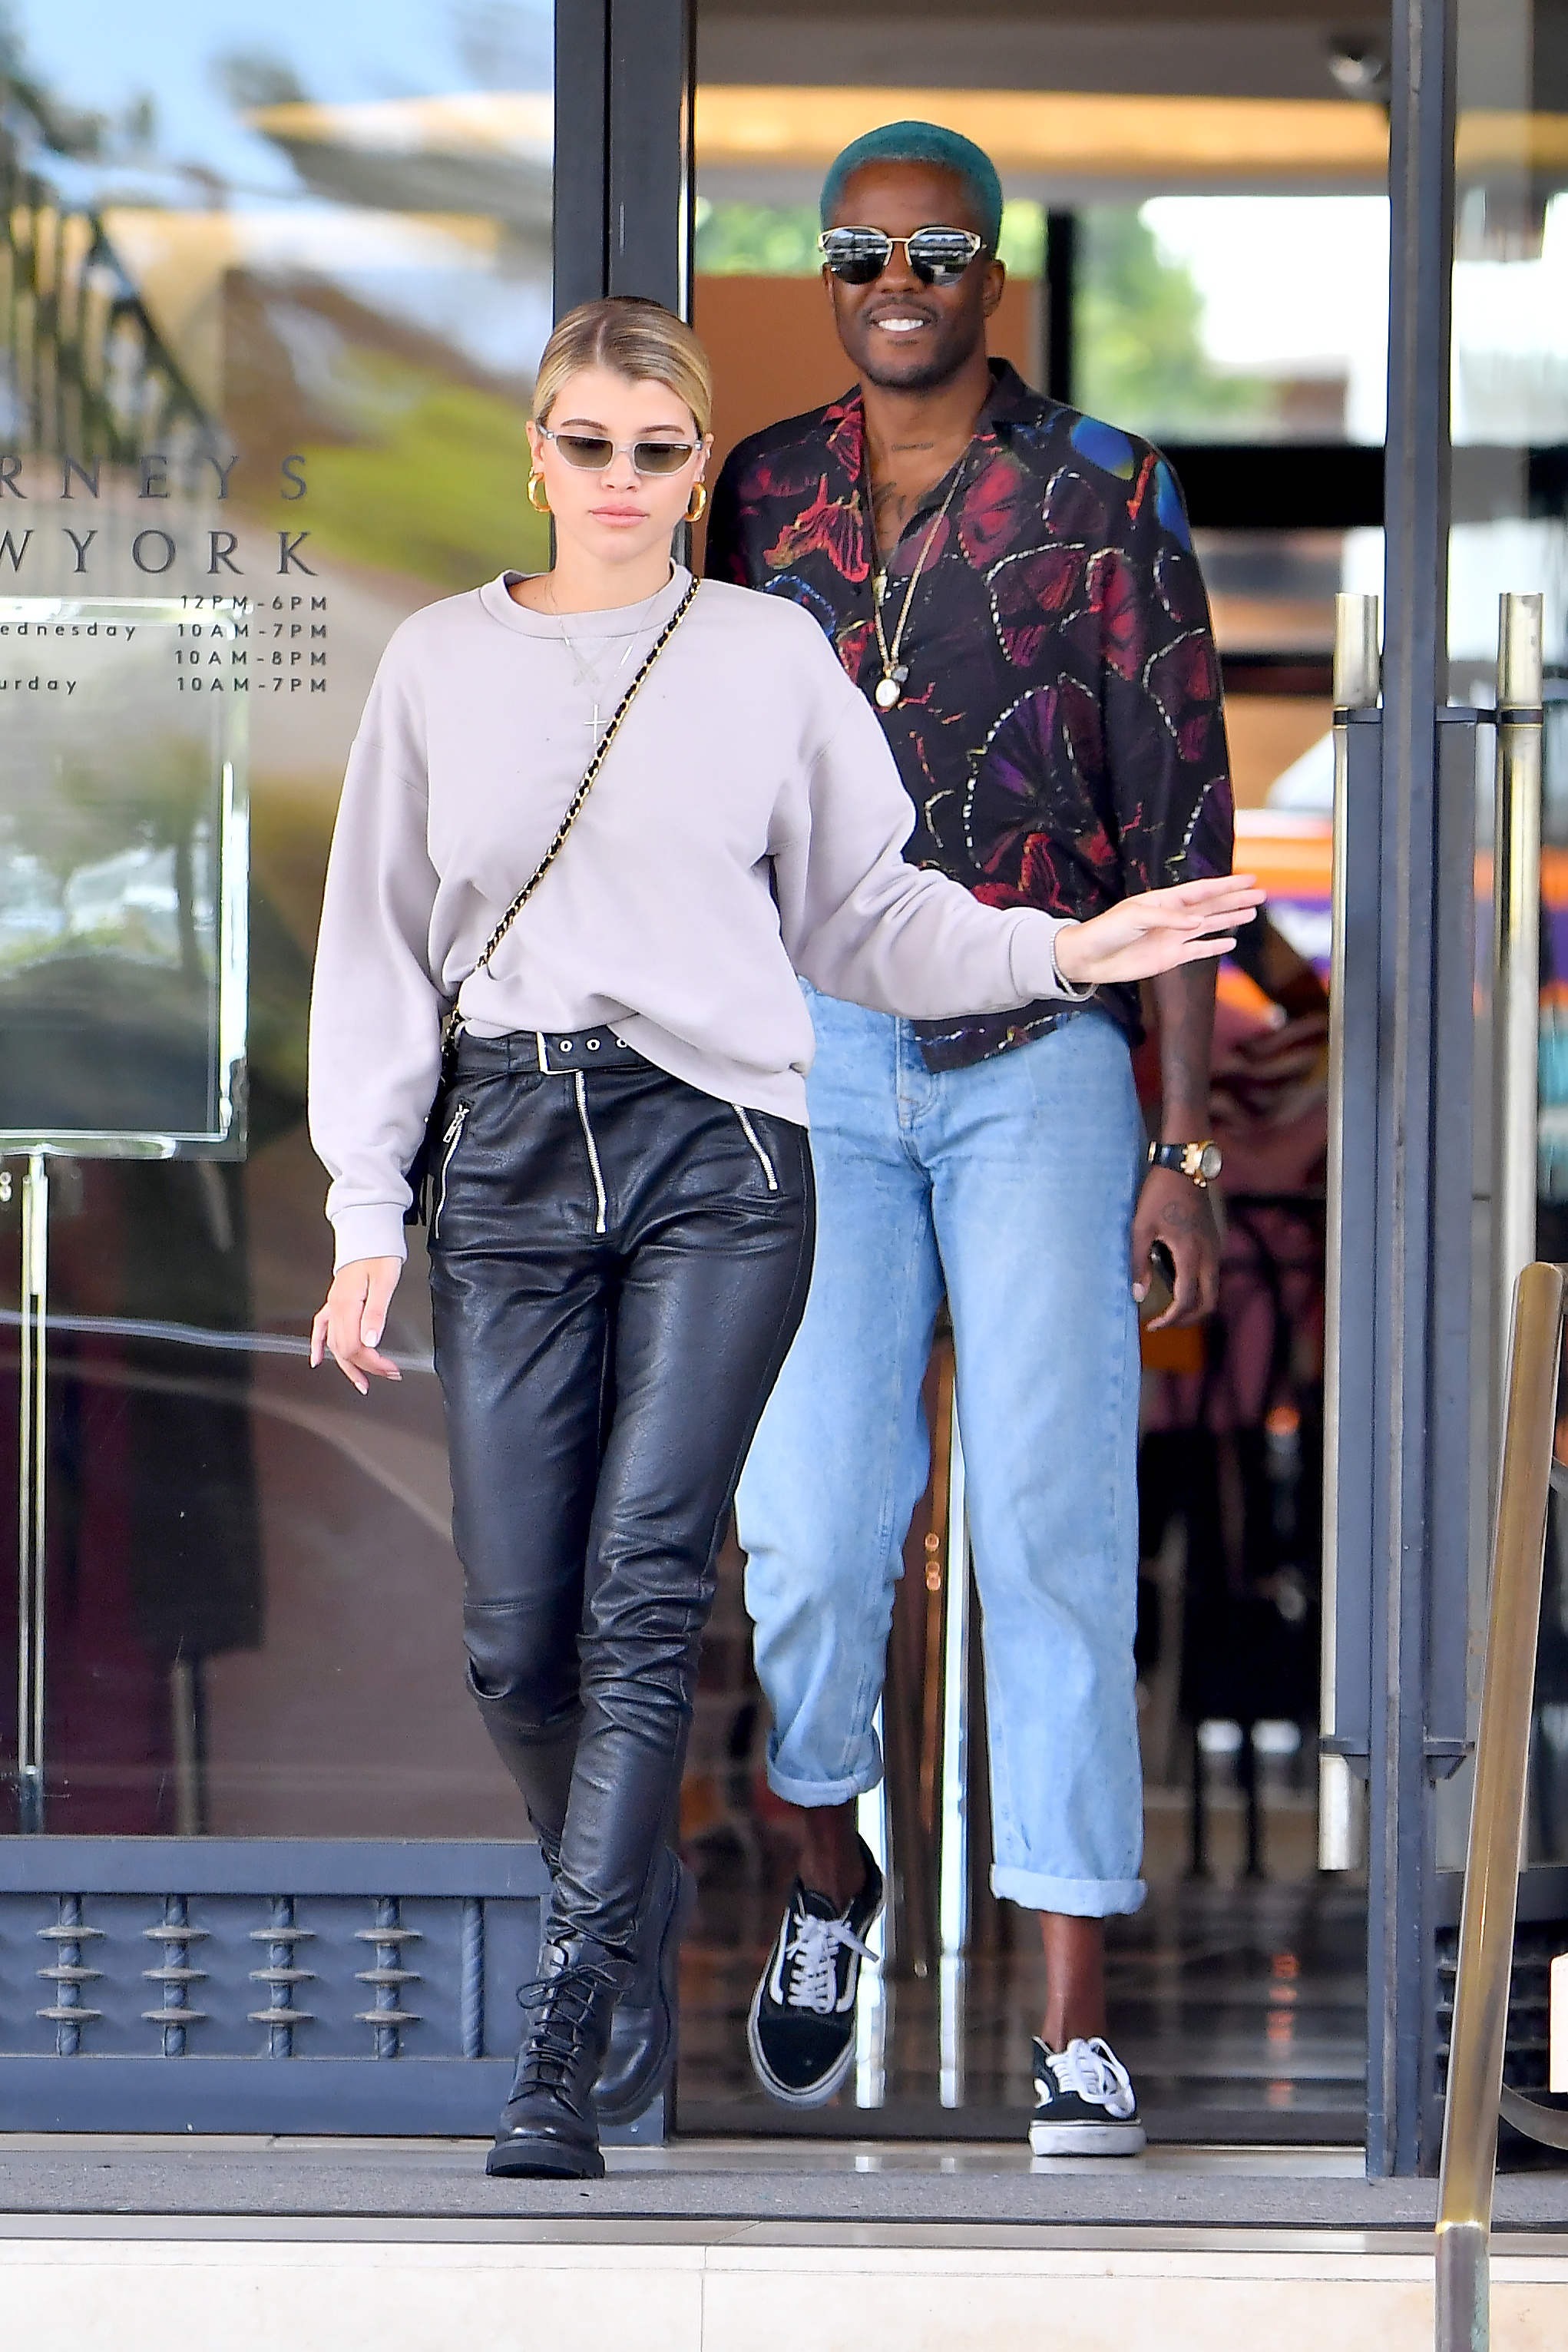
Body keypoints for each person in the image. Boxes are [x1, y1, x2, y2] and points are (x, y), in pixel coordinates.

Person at [307, 294, 1255, 2182]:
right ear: (536, 455)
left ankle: (572, 2034)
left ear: (696, 466)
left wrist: (1070, 954)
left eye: (658, 452)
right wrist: (362, 1212)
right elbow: (376, 957)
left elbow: (868, 919)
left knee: (662, 1581)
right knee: (526, 1634)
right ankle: (644, 1887)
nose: (623, 483)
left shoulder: (767, 653)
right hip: (509, 1148)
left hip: (729, 1143)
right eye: (589, 447)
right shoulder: (434, 666)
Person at [706, 121, 1236, 2153]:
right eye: (861, 251)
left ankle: (1072, 2012)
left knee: (1048, 1535)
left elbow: (1181, 825)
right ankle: (823, 1869)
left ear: (992, 276)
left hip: (1044, 1065)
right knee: (818, 1536)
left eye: (936, 249)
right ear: (829, 277)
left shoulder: (1109, 495)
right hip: (822, 1062)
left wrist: (1179, 1149)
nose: (897, 278)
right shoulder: (754, 494)